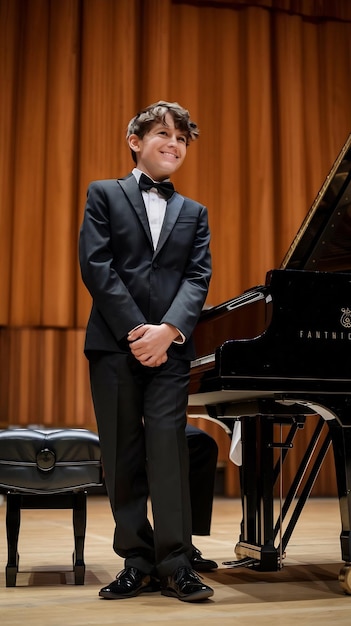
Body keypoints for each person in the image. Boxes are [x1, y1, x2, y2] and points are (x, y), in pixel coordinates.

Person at [79, 101, 213, 602]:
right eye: (163, 134)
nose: (173, 144)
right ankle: (136, 559)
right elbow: (97, 266)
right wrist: (139, 330)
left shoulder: (195, 212)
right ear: (135, 141)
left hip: (171, 351)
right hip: (114, 345)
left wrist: (169, 331)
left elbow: (198, 277)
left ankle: (177, 563)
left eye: (181, 138)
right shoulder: (103, 194)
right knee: (122, 453)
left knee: (168, 451)